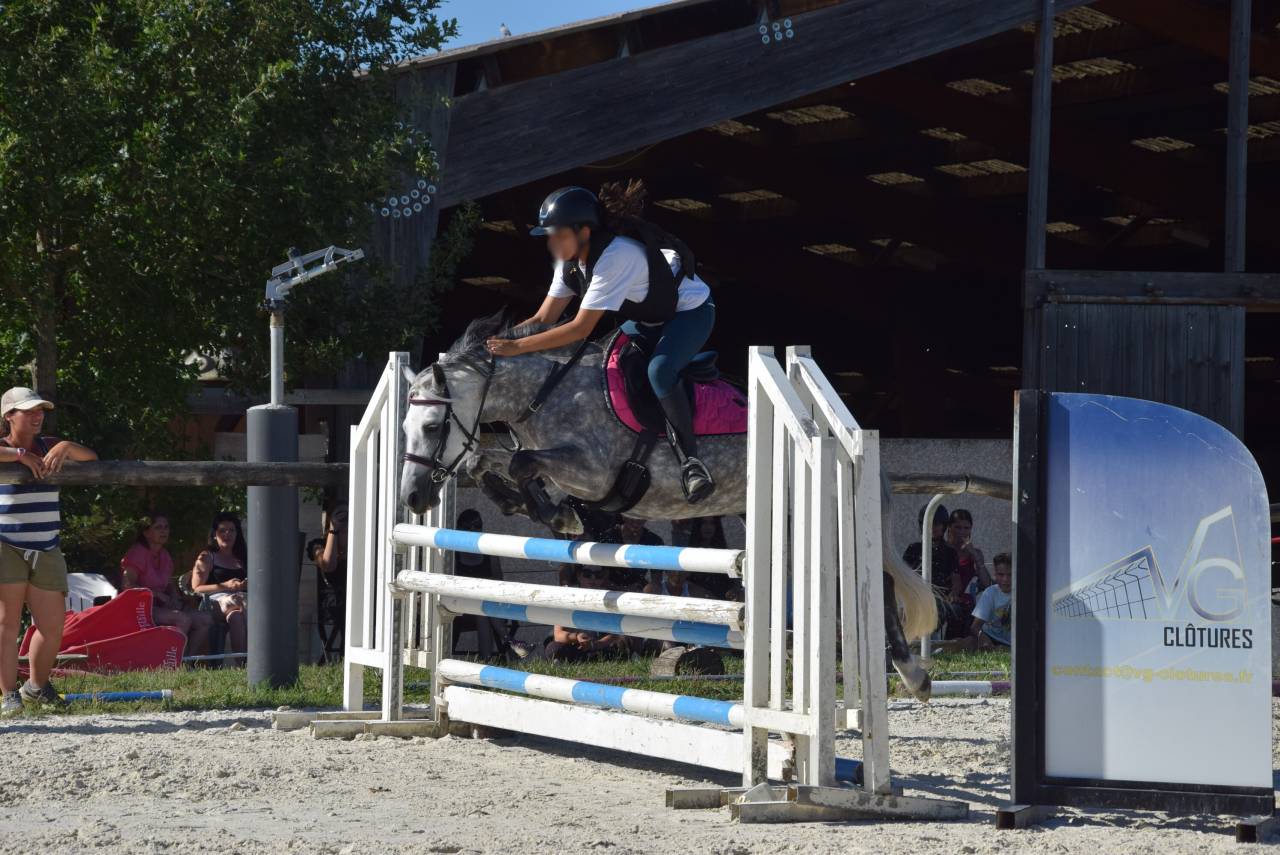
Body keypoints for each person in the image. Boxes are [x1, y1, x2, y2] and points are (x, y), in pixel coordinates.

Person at [485, 181, 717, 503]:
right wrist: (495, 344)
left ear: (583, 231)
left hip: (690, 312)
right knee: (603, 363)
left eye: (557, 234)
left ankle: (692, 464)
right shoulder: (568, 263)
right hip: (648, 318)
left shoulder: (614, 257)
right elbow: (543, 320)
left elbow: (580, 328)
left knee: (659, 371)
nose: (551, 243)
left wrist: (519, 348)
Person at [0, 387, 98, 714]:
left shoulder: (49, 445)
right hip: (6, 545)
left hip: (47, 545)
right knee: (7, 623)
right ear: (9, 416)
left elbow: (92, 458)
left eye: (40, 409)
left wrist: (67, 446)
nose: (37, 415)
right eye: (29, 410)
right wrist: (18, 456)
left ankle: (36, 688)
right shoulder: (3, 447)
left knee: (53, 625)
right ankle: (9, 694)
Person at [120, 512, 213, 656]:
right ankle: (171, 663)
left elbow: (168, 583)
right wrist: (156, 594)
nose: (163, 531)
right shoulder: (137, 553)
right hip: (140, 608)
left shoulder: (164, 555)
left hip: (163, 606)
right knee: (182, 619)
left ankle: (188, 662)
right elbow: (127, 586)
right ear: (146, 532)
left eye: (166, 527)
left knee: (204, 619)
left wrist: (175, 597)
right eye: (158, 527)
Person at [545, 565, 631, 662]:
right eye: (587, 574)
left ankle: (589, 658)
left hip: (600, 644)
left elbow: (617, 634)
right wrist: (576, 637)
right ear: (578, 575)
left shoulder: (610, 598)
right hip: (576, 644)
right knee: (553, 648)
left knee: (621, 645)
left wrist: (596, 644)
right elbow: (558, 635)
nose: (593, 579)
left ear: (605, 576)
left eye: (599, 575)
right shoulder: (568, 596)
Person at [190, 512, 248, 657]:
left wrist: (245, 584)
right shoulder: (207, 556)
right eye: (222, 530)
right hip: (212, 602)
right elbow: (196, 588)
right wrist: (225, 586)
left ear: (237, 534)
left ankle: (243, 664)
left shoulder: (242, 557)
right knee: (238, 602)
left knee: (236, 617)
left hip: (239, 603)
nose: (227, 534)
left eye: (231, 530)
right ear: (214, 534)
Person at [937, 553, 1012, 652]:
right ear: (995, 573)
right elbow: (975, 626)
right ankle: (936, 650)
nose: (1005, 579)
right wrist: (982, 636)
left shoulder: (1026, 593)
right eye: (1001, 574)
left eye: (1010, 574)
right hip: (989, 637)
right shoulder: (991, 592)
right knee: (964, 643)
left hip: (1012, 643)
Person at [944, 508, 991, 596]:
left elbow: (987, 584)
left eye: (966, 528)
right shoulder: (942, 548)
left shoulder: (975, 553)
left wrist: (975, 556)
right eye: (958, 527)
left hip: (968, 601)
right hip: (945, 598)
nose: (962, 532)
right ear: (949, 527)